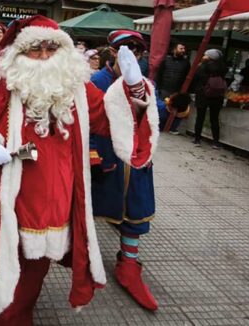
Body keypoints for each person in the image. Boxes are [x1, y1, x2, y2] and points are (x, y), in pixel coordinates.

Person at [0, 16, 160, 324]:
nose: (44, 56)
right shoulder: (3, 86)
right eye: (35, 48)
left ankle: (21, 313)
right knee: (3, 260)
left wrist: (135, 90)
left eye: (52, 48)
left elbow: (114, 121)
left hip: (58, 201)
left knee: (36, 267)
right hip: (12, 198)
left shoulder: (77, 90)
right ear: (20, 53)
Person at [88, 28, 161, 312]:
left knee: (136, 211)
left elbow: (155, 116)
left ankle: (128, 266)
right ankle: (81, 256)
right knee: (88, 209)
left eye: (137, 49)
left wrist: (172, 109)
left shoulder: (146, 83)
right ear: (112, 51)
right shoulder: (97, 81)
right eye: (124, 48)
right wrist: (92, 154)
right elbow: (87, 121)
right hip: (106, 159)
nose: (132, 54)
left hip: (137, 162)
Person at [193, 49, 228, 148]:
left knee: (200, 117)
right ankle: (215, 142)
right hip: (217, 96)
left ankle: (197, 139)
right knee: (214, 118)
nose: (203, 56)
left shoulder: (202, 66)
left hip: (203, 94)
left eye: (206, 55)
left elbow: (197, 78)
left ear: (210, 57)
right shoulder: (222, 68)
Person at [156, 43, 190, 133]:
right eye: (181, 48)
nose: (183, 50)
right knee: (162, 108)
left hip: (177, 90)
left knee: (176, 110)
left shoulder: (186, 63)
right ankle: (160, 125)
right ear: (174, 49)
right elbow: (160, 74)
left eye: (184, 49)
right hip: (165, 88)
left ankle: (172, 128)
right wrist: (159, 87)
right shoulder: (166, 60)